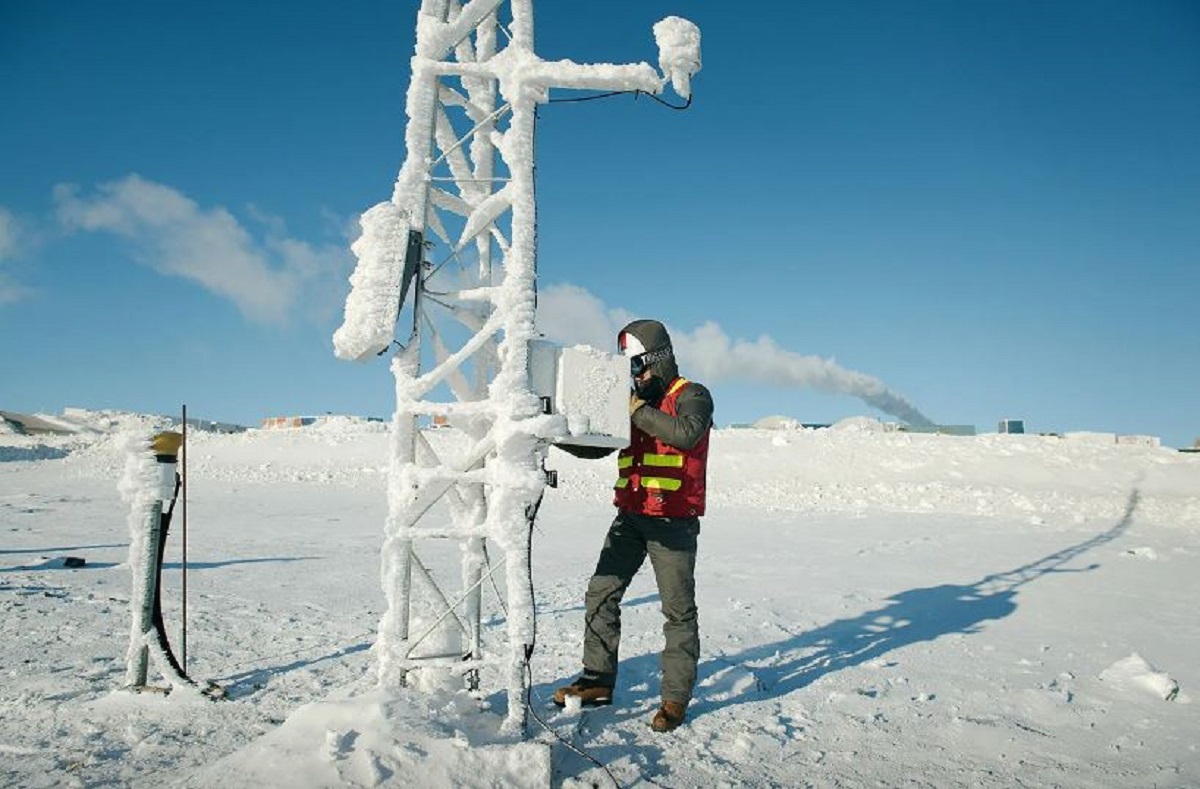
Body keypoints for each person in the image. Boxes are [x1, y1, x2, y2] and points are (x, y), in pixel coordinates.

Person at [553, 319, 714, 733]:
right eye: (630, 369)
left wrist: (637, 410)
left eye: (640, 367)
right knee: (600, 593)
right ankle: (597, 681)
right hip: (630, 517)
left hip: (673, 525)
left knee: (678, 611)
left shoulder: (692, 396)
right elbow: (597, 448)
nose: (636, 377)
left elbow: (686, 435)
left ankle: (675, 699)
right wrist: (550, 429)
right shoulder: (633, 401)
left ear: (659, 360)